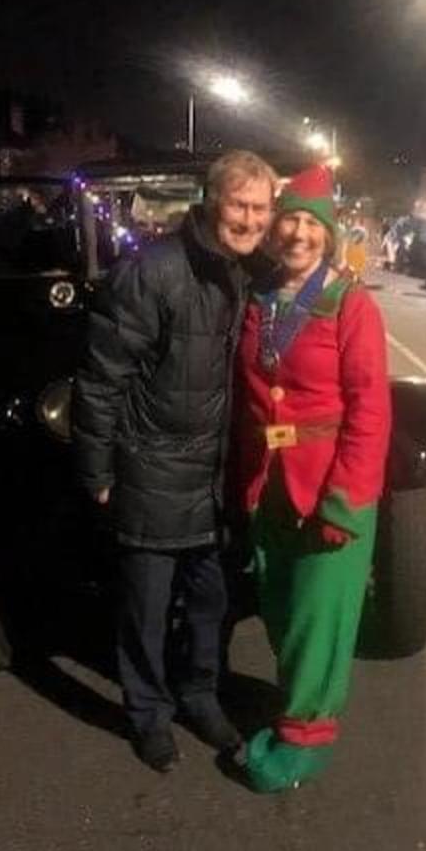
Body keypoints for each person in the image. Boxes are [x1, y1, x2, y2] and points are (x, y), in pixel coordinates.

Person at [72, 150, 277, 773]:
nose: (249, 219)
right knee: (145, 609)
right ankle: (148, 715)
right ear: (213, 201)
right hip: (153, 469)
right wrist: (98, 470)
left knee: (214, 604)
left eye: (260, 209)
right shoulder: (153, 271)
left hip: (216, 480)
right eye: (239, 204)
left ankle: (199, 694)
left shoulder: (256, 278)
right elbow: (103, 377)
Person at [232, 163, 391, 792]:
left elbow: (371, 410)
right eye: (289, 220)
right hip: (268, 481)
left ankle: (306, 737)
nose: (298, 233)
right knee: (280, 606)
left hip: (328, 487)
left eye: (310, 224)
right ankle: (296, 706)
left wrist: (346, 500)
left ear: (328, 235)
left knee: (317, 617)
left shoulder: (351, 305)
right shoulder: (260, 300)